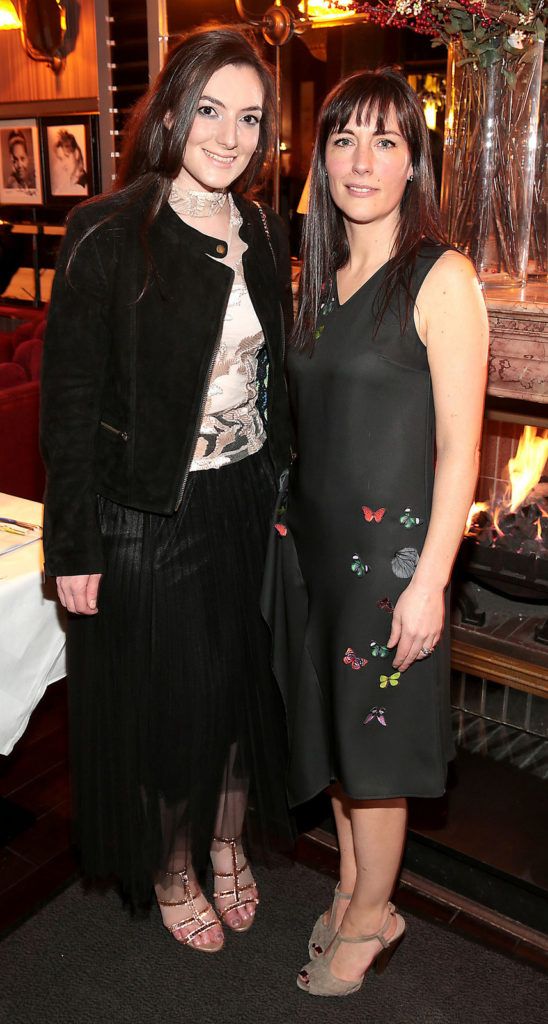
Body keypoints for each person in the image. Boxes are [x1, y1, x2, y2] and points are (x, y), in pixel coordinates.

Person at [40, 25, 292, 953]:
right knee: (176, 708)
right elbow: (66, 406)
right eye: (211, 110)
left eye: (250, 118)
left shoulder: (263, 225)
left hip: (245, 501)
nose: (230, 136)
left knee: (239, 693)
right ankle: (175, 862)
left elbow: (276, 378)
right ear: (172, 110)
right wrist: (74, 547)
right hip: (149, 512)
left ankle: (229, 846)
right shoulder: (108, 228)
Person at [263, 68, 488, 995]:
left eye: (386, 141)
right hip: (312, 549)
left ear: (413, 163)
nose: (362, 160)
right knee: (342, 743)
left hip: (390, 562)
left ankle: (368, 921)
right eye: (345, 138)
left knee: (378, 747)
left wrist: (431, 579)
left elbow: (461, 451)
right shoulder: (313, 270)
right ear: (321, 158)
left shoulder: (443, 275)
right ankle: (359, 887)